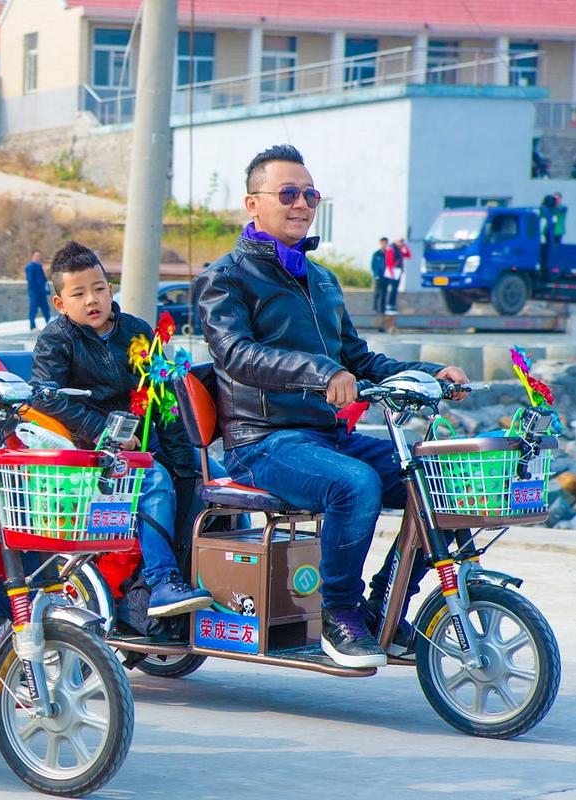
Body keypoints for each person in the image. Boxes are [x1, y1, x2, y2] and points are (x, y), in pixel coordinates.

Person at [194, 144, 469, 669]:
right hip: (264, 441)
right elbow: (236, 354)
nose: (302, 204)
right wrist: (322, 374)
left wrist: (431, 372)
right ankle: (338, 615)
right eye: (288, 193)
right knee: (354, 484)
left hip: (327, 438)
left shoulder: (322, 280)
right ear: (253, 204)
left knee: (449, 481)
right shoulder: (224, 278)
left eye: (310, 194)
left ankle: (383, 606)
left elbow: (357, 358)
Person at [29, 240, 214, 619]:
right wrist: (104, 431)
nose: (92, 300)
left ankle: (204, 583)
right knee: (156, 479)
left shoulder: (136, 330)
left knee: (213, 483)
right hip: (90, 455)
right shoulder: (56, 339)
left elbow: (163, 397)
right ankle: (162, 582)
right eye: (78, 293)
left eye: (98, 288)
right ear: (60, 304)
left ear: (111, 289)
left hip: (144, 444)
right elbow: (45, 398)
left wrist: (190, 461)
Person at [24, 250, 51, 329]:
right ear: (33, 256)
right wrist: (33, 291)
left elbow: (44, 279)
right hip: (34, 292)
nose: (38, 257)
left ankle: (49, 324)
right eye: (36, 255)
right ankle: (32, 326)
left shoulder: (39, 266)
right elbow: (30, 280)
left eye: (39, 255)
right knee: (33, 308)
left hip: (42, 292)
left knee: (46, 308)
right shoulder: (30, 266)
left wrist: (47, 289)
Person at [383, 237, 408, 313]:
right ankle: (389, 305)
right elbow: (389, 262)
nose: (402, 243)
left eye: (402, 242)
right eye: (400, 242)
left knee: (395, 289)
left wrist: (405, 246)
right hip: (393, 272)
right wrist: (391, 273)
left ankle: (392, 304)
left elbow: (408, 255)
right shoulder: (392, 249)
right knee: (392, 289)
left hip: (398, 272)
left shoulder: (400, 250)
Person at [370, 237, 388, 313]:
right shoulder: (376, 254)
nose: (384, 245)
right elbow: (373, 265)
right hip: (378, 276)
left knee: (384, 293)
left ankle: (382, 310)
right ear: (380, 243)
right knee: (377, 293)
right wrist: (376, 274)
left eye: (385, 243)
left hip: (386, 276)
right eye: (382, 243)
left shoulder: (388, 253)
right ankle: (375, 308)